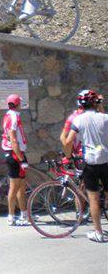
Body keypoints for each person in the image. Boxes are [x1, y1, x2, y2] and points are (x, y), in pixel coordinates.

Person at [63, 90, 108, 243]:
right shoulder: (105, 117)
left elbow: (68, 142)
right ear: (95, 102)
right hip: (106, 161)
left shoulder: (78, 120)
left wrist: (68, 156)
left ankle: (98, 233)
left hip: (90, 163)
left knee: (93, 199)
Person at [1, 94, 29, 226]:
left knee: (21, 187)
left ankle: (24, 214)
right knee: (14, 188)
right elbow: (12, 139)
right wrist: (21, 158)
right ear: (17, 104)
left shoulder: (8, 115)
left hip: (17, 154)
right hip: (14, 154)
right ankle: (11, 217)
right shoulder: (13, 116)